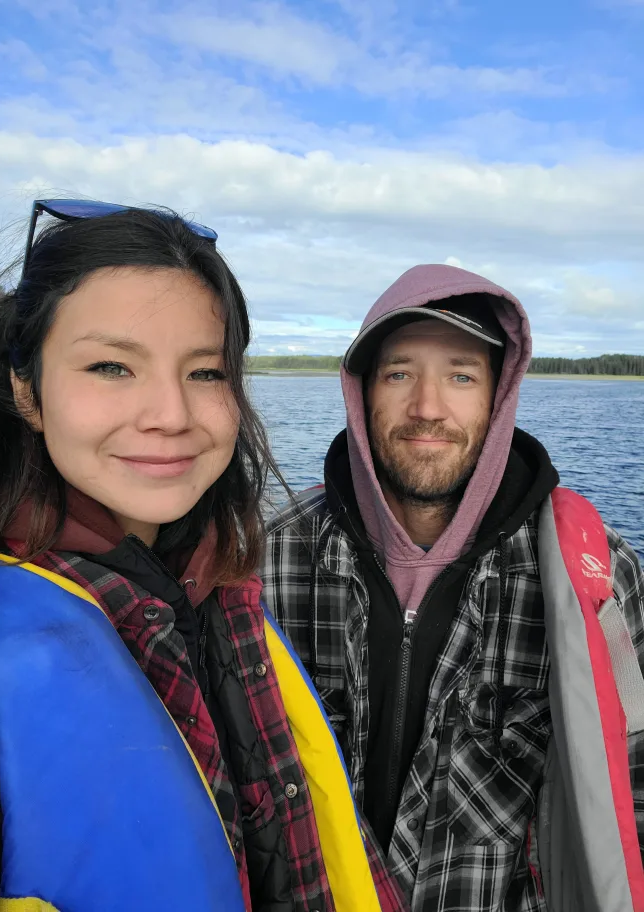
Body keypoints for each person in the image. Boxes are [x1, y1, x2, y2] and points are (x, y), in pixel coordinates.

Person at [0, 200, 406, 912]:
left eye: (204, 373)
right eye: (111, 366)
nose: (170, 413)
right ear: (25, 388)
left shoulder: (220, 588)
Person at [261, 263, 644, 911]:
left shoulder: (592, 577)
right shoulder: (275, 557)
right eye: (400, 373)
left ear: (499, 397)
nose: (428, 408)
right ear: (362, 394)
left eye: (461, 375)